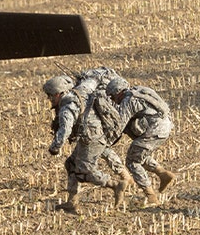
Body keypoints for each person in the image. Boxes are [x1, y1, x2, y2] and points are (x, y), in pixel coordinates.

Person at [44, 74, 130, 215]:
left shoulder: (67, 107)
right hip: (92, 136)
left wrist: (55, 147)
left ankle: (115, 185)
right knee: (71, 164)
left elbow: (65, 129)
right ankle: (72, 202)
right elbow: (94, 79)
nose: (50, 99)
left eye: (51, 96)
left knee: (85, 171)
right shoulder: (81, 89)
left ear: (59, 93)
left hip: (92, 138)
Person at [106, 77, 175, 207]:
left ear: (118, 92)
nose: (112, 100)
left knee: (132, 161)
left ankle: (151, 197)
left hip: (154, 130)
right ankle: (163, 174)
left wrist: (107, 140)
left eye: (112, 96)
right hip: (165, 126)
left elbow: (119, 125)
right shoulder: (141, 90)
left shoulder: (128, 101)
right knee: (140, 153)